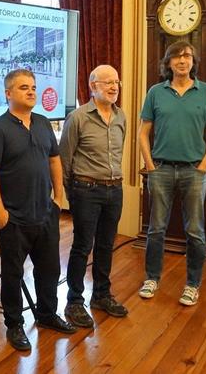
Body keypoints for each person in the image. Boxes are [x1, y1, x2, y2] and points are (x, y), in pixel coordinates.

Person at [0, 69, 77, 352]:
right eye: (24, 88)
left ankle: (47, 314)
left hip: (45, 212)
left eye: (33, 87)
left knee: (48, 269)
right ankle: (14, 325)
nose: (32, 92)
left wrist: (58, 198)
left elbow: (55, 161)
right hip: (13, 217)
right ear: (8, 93)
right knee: (13, 273)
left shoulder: (44, 123)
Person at [138, 41, 206, 306]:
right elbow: (143, 133)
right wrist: (150, 167)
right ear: (168, 63)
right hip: (161, 170)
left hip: (193, 172)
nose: (181, 61)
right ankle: (152, 278)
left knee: (195, 232)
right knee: (156, 230)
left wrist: (204, 166)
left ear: (193, 62)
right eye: (176, 57)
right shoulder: (156, 92)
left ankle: (192, 284)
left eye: (186, 56)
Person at [59, 65, 127, 329]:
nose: (113, 87)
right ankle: (74, 301)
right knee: (82, 245)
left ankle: (101, 295)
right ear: (92, 86)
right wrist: (69, 195)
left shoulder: (121, 116)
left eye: (116, 82)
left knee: (106, 244)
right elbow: (64, 159)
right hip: (85, 190)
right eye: (107, 82)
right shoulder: (77, 118)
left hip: (115, 189)